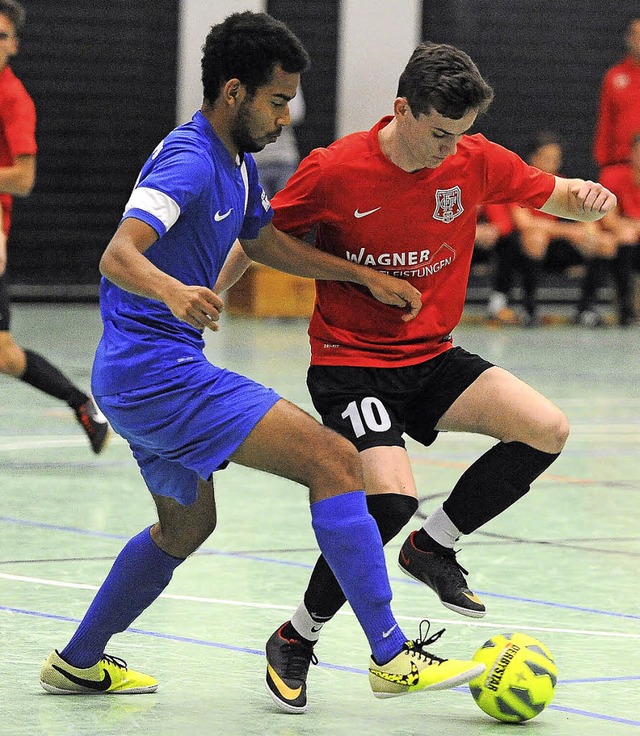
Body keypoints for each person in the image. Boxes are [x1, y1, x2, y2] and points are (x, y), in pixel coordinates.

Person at [38, 13, 484, 705]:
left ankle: (79, 660)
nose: (285, 116)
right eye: (277, 101)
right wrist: (174, 291)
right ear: (234, 92)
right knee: (337, 461)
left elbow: (267, 243)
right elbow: (118, 255)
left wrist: (358, 275)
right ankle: (391, 655)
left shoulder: (238, 164)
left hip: (135, 378)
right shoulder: (189, 159)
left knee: (186, 527)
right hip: (159, 374)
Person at [216, 41, 617, 713]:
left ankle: (435, 547)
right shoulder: (335, 169)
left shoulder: (472, 159)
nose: (447, 149)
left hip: (431, 355)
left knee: (547, 428)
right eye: (437, 134)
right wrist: (206, 301)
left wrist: (588, 197)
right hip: (353, 365)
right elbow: (257, 239)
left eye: (458, 136)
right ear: (402, 109)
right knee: (389, 500)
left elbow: (557, 196)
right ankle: (296, 636)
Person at [0, 0, 109, 454]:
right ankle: (81, 403)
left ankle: (81, 402)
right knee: (4, 354)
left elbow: (24, 178)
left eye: (0, 36)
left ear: (14, 45)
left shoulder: (12, 98)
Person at [485, 132, 619, 327]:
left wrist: (590, 230)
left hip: (554, 246)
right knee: (535, 239)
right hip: (517, 250)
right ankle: (529, 309)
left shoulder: (562, 182)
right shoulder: (520, 183)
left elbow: (584, 218)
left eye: (556, 159)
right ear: (534, 158)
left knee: (605, 244)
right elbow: (525, 223)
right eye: (547, 158)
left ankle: (586, 309)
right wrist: (567, 231)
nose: (553, 163)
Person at [598, 130, 640, 325]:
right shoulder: (612, 175)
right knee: (623, 240)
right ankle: (626, 308)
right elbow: (608, 220)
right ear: (631, 153)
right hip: (624, 242)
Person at [594, 16, 640, 173]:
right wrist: (603, 160)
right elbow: (605, 119)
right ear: (628, 38)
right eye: (636, 35)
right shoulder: (614, 76)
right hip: (621, 163)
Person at [252, 85, 305, 198]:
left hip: (284, 159)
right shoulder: (248, 79)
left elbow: (296, 113)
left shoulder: (287, 79)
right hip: (256, 162)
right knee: (258, 213)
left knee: (287, 211)